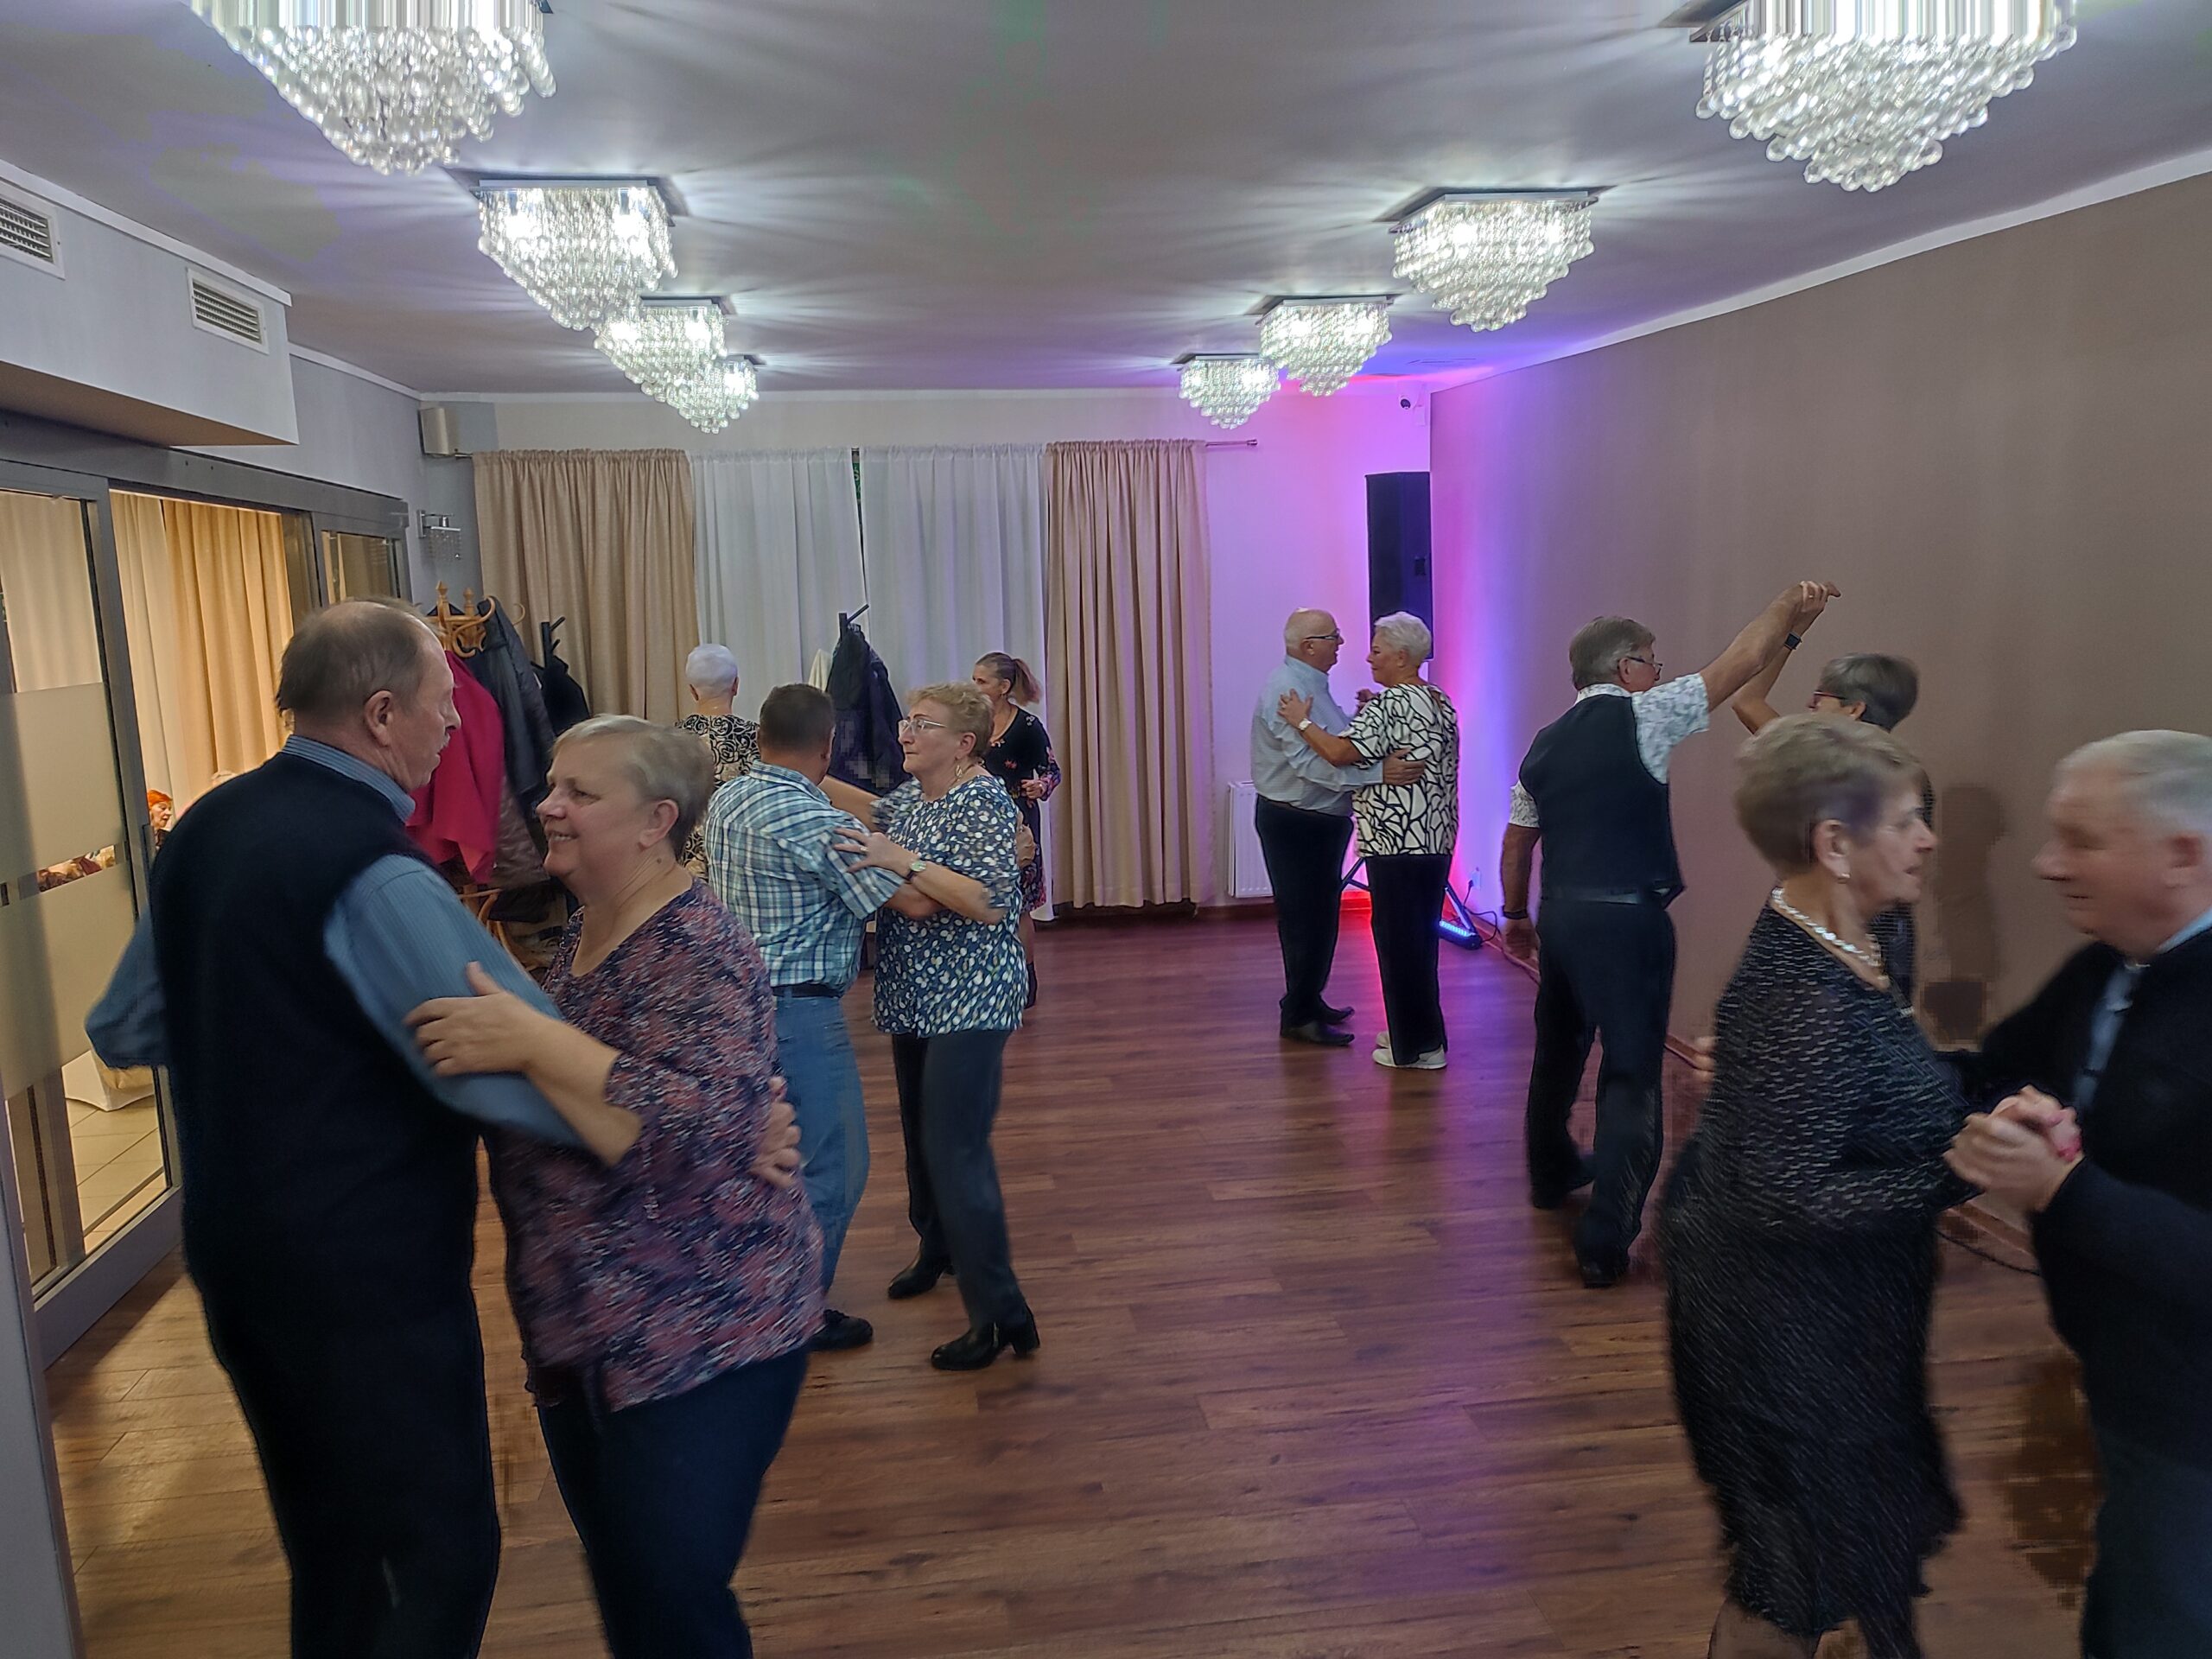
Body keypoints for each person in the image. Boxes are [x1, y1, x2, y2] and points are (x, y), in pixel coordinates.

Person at [81, 601, 588, 1659]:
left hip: (235, 1248)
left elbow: (124, 1027)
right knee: (435, 1560)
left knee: (332, 1555)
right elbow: (529, 1076)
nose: (459, 723)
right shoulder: (376, 873)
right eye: (444, 704)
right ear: (381, 713)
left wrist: (271, 1039)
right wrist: (680, 1116)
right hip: (364, 1277)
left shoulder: (210, 825)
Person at [409, 715, 819, 1659]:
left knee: (671, 1603)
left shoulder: (697, 943)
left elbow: (691, 1124)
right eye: (553, 784)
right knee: (635, 1594)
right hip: (591, 1334)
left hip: (704, 1338)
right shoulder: (590, 929)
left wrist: (532, 1039)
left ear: (655, 822)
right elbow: (643, 1108)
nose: (548, 805)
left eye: (581, 793)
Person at [1662, 717, 1964, 1659]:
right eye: (1908, 821)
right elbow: (1783, 1200)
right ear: (1833, 845)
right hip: (1776, 1327)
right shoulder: (1799, 995)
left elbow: (1877, 1082)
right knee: (1791, 1567)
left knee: (1857, 1537)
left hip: (1846, 1311)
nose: (1928, 840)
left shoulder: (1873, 933)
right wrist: (1959, 1171)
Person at [1939, 732, 2212, 1659]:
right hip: (2131, 1371)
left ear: (2182, 854)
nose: (2048, 865)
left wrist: (2064, 1189)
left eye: (2082, 841)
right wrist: (1819, 1067)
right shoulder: (2108, 966)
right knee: (2133, 1590)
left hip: (2193, 1406)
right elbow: (1995, 1072)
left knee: (2164, 1615)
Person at [1499, 579, 1840, 1287]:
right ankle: (1604, 1241)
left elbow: (1517, 840)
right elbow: (1740, 664)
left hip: (1562, 913)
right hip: (1627, 920)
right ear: (1626, 667)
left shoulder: (1544, 743)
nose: (1658, 671)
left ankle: (1549, 1174)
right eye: (1652, 660)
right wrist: (1789, 608)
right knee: (1631, 1074)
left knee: (1558, 1052)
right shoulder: (1645, 715)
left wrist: (1516, 916)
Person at [830, 683, 1039, 1370]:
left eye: (923, 724)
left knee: (956, 1153)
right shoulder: (918, 798)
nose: (905, 732)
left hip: (970, 1000)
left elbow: (985, 900)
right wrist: (794, 770)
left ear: (964, 743)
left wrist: (904, 862)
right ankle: (938, 1248)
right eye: (907, 721)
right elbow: (871, 808)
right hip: (918, 999)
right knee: (924, 1142)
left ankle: (1001, 1314)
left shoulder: (982, 801)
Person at [704, 683, 907, 1355]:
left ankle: (750, 1293)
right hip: (798, 1009)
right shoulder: (818, 823)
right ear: (827, 748)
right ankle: (795, 1313)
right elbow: (905, 899)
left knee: (767, 1160)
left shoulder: (730, 797)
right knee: (835, 1165)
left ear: (759, 738)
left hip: (737, 1005)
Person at [1278, 612, 1461, 1071]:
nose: (1368, 658)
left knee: (1398, 946)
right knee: (1420, 945)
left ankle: (1412, 1049)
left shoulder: (1390, 705)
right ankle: (1422, 1035)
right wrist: (1373, 709)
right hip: (1435, 840)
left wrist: (1302, 722)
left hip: (1396, 845)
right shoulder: (1436, 699)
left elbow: (1340, 753)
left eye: (1377, 651)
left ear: (1401, 656)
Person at [1252, 607, 1425, 1047]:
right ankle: (1298, 1015)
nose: (1342, 644)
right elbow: (1311, 766)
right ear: (1309, 647)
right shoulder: (1288, 689)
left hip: (1319, 820)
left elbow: (1333, 741)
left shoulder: (1312, 684)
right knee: (1304, 921)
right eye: (1334, 637)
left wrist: (1359, 719)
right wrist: (1378, 774)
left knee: (1320, 917)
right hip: (1297, 821)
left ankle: (1309, 999)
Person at [1733, 641, 1929, 995]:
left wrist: (1793, 631)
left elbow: (1747, 701)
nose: (1810, 708)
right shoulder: (1906, 776)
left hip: (1834, 925)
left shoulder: (1821, 769)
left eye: (1818, 699)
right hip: (1886, 929)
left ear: (1854, 709)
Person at [974, 651, 1061, 1009]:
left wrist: (1041, 786)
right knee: (980, 899)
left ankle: (1027, 978)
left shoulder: (1027, 726)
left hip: (1018, 825)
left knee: (1020, 905)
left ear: (1003, 686)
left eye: (981, 681)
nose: (974, 687)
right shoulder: (972, 723)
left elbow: (1052, 771)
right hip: (977, 825)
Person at [678, 644, 758, 868]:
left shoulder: (671, 741)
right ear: (736, 685)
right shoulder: (757, 737)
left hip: (684, 864)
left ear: (693, 691)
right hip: (740, 861)